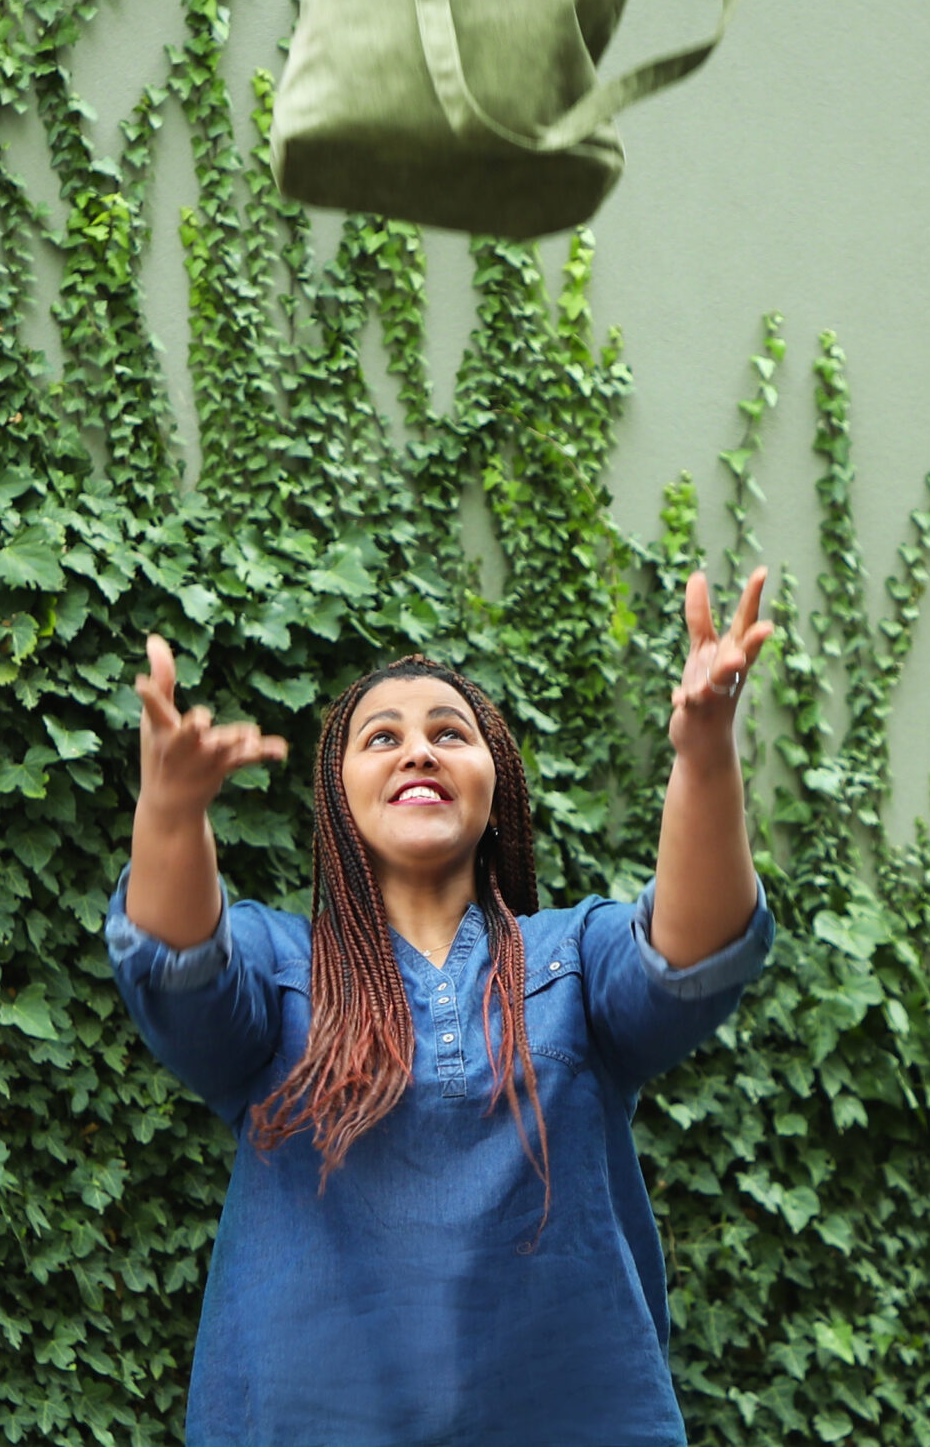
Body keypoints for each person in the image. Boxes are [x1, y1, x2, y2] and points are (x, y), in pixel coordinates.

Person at [106, 567, 778, 1447]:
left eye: (449, 732)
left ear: (498, 786)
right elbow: (177, 963)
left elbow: (695, 949)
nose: (418, 751)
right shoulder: (278, 968)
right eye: (381, 737)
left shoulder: (575, 959)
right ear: (339, 801)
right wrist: (168, 810)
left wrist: (706, 751)